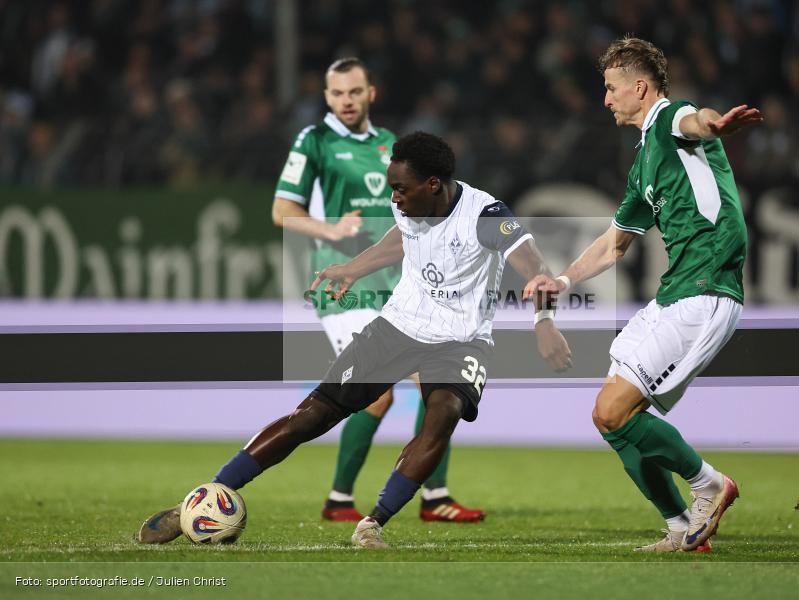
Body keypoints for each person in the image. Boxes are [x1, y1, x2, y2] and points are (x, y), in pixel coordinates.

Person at [138, 131, 572, 548]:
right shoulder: (410, 204)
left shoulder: (486, 216)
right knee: (310, 418)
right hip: (399, 327)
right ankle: (204, 497)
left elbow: (535, 267)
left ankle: (372, 523)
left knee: (442, 415)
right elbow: (400, 238)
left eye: (401, 189)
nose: (395, 199)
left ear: (434, 185)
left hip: (461, 341)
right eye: (392, 189)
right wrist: (353, 268)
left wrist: (544, 323)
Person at [524, 36, 762, 553]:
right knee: (608, 416)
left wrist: (715, 124)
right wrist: (561, 282)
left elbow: (697, 119)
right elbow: (616, 243)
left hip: (705, 285)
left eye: (611, 89)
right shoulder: (642, 163)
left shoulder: (672, 120)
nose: (605, 99)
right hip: (677, 289)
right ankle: (680, 526)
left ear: (640, 87)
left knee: (614, 411)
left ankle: (710, 485)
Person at [272, 57, 484, 523]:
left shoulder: (391, 145)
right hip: (344, 285)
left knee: (437, 384)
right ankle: (340, 498)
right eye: (335, 94)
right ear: (326, 98)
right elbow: (282, 210)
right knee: (377, 393)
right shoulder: (316, 141)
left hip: (398, 288)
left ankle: (435, 496)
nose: (345, 101)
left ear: (372, 92)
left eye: (353, 92)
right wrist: (330, 231)